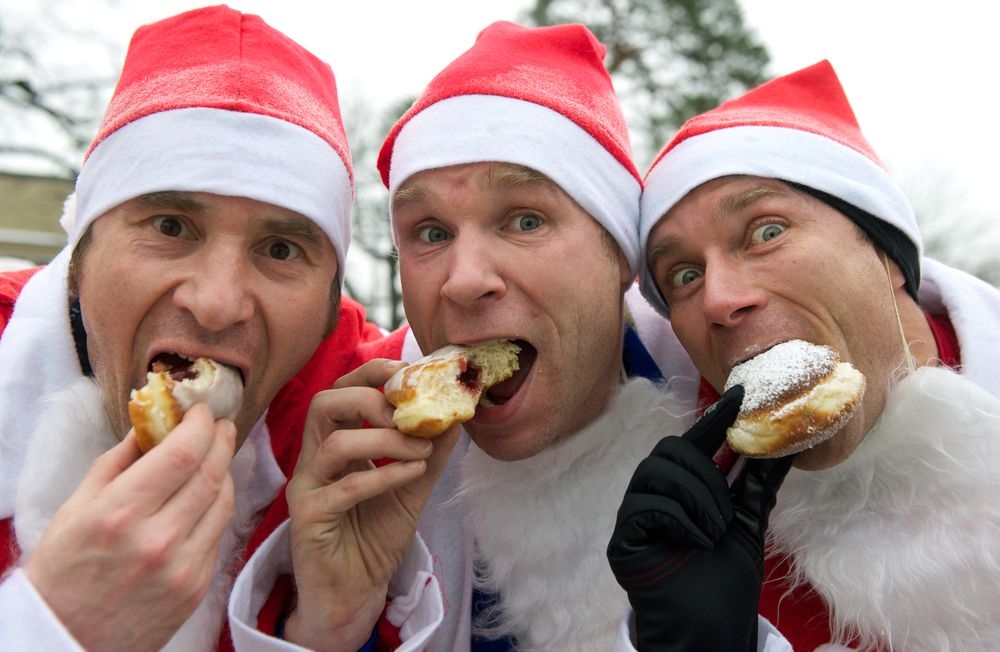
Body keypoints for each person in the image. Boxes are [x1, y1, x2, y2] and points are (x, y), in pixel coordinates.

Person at [229, 20, 793, 652]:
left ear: (621, 258)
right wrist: (331, 625)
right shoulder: (352, 451)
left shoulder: (747, 424)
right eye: (431, 233)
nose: (463, 282)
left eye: (525, 219)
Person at [0, 6, 384, 650]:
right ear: (80, 259)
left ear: (326, 311)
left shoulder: (368, 445)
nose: (215, 304)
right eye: (170, 226)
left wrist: (326, 631)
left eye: (282, 249)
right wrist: (48, 627)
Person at [618, 59, 1000, 651]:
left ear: (887, 254)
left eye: (766, 231)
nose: (718, 300)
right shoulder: (697, 528)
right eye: (684, 275)